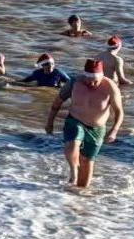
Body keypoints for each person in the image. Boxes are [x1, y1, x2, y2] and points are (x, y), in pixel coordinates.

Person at [46, 59, 123, 188]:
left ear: (102, 76)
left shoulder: (111, 87)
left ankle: (78, 199)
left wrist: (114, 131)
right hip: (75, 120)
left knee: (86, 171)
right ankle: (73, 172)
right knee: (72, 145)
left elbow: (119, 112)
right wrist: (50, 123)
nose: (91, 83)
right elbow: (56, 103)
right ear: (84, 75)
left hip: (97, 129)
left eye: (96, 80)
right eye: (88, 79)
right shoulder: (75, 83)